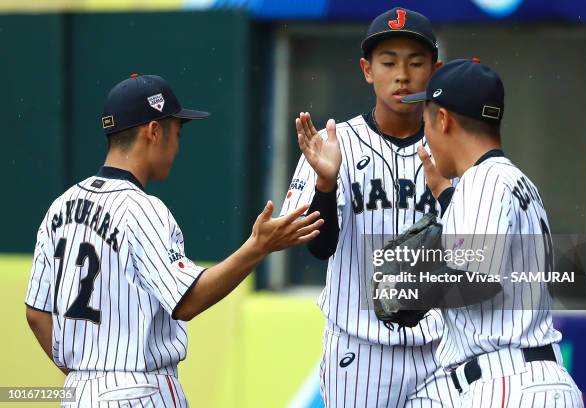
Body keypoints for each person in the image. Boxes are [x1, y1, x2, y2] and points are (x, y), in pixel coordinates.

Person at [24, 74, 323, 407]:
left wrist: (89, 375)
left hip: (80, 392)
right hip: (141, 391)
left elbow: (36, 315)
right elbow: (187, 301)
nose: (178, 146)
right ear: (154, 131)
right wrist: (258, 247)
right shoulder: (143, 209)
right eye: (176, 132)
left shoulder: (60, 205)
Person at [281, 8, 459, 407]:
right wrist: (325, 185)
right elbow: (318, 248)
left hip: (440, 348)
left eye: (416, 63)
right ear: (366, 69)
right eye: (388, 62)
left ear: (436, 70)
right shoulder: (334, 142)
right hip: (359, 351)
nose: (402, 75)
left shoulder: (456, 146)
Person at [402, 58, 584, 406]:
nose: (425, 135)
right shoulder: (518, 182)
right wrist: (446, 196)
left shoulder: (482, 182)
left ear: (443, 119)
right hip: (541, 382)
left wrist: (414, 290)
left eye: (425, 121)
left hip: (505, 384)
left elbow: (478, 277)